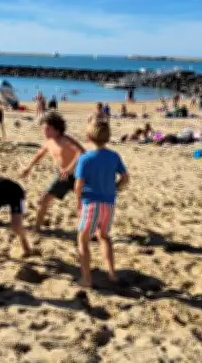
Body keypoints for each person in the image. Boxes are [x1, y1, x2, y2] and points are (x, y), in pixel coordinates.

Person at [74, 122, 129, 287]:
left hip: (91, 203)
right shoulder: (114, 156)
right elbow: (125, 178)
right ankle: (112, 273)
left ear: (89, 138)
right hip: (109, 204)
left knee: (82, 240)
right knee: (104, 236)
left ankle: (86, 278)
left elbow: (78, 184)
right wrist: (115, 188)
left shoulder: (85, 159)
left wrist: (77, 201)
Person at [19, 112, 86, 232]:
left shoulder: (65, 139)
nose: (44, 131)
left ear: (57, 130)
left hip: (79, 176)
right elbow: (39, 154)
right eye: (43, 129)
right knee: (43, 200)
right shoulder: (48, 142)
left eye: (47, 129)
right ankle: (37, 228)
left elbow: (82, 152)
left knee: (80, 205)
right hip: (62, 177)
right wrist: (28, 168)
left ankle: (87, 232)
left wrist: (69, 168)